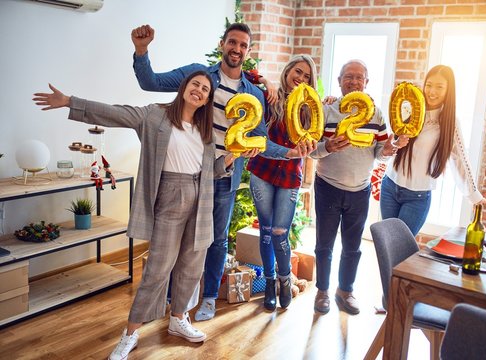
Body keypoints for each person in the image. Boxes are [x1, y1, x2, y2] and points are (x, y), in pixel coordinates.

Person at [33, 71, 235, 360]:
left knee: (192, 266)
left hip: (201, 199)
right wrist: (69, 102)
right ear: (184, 87)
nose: (199, 91)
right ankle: (130, 334)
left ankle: (178, 319)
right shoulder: (155, 116)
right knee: (157, 269)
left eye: (205, 89)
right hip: (169, 194)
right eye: (195, 85)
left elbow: (209, 172)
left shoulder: (205, 131)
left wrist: (225, 162)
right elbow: (114, 113)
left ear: (206, 99)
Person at [131, 23, 309, 321]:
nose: (236, 49)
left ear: (248, 52)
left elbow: (260, 140)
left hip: (224, 177)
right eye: (232, 42)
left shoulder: (254, 93)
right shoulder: (199, 76)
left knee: (216, 239)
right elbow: (150, 82)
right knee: (178, 237)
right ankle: (173, 299)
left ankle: (210, 297)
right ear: (223, 44)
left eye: (243, 45)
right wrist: (141, 50)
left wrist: (288, 152)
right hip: (187, 173)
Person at [310, 60, 408, 315]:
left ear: (367, 82)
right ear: (340, 80)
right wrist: (327, 147)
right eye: (348, 77)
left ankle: (346, 291)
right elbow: (311, 151)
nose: (354, 82)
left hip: (360, 190)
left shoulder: (375, 114)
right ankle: (322, 291)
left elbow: (380, 152)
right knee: (324, 245)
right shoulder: (327, 110)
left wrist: (389, 149)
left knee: (353, 246)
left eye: (359, 77)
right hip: (328, 187)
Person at [247, 55, 318, 311]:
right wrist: (265, 80)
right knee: (265, 231)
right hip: (262, 172)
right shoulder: (270, 98)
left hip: (289, 177)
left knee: (280, 233)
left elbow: (319, 136)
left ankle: (285, 280)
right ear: (288, 72)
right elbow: (246, 76)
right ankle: (268, 282)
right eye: (297, 71)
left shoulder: (311, 108)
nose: (300, 78)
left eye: (307, 76)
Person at [380, 65, 485, 236]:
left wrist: (474, 195)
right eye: (429, 85)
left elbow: (460, 160)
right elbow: (389, 144)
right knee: (387, 245)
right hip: (390, 187)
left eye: (439, 87)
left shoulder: (449, 122)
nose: (432, 91)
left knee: (400, 252)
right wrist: (396, 144)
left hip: (417, 197)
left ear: (448, 90)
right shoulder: (409, 109)